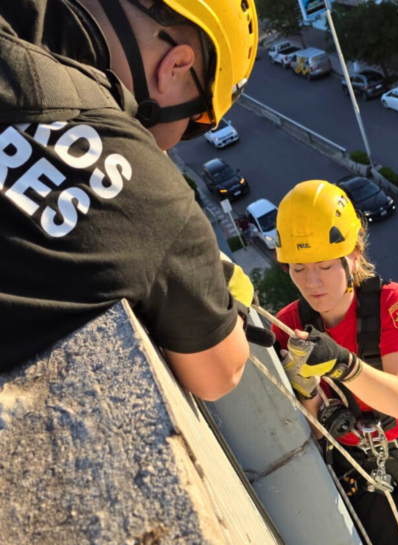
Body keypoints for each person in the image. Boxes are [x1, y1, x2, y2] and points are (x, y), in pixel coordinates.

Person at [0, 0, 274, 400]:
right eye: (196, 119)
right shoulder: (149, 197)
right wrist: (200, 273)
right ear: (176, 66)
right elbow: (221, 372)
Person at [272, 180, 398, 545]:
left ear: (354, 254)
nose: (312, 283)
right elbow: (313, 431)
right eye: (298, 269)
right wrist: (304, 388)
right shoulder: (288, 326)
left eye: (325, 266)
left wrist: (340, 364)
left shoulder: (391, 303)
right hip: (355, 459)